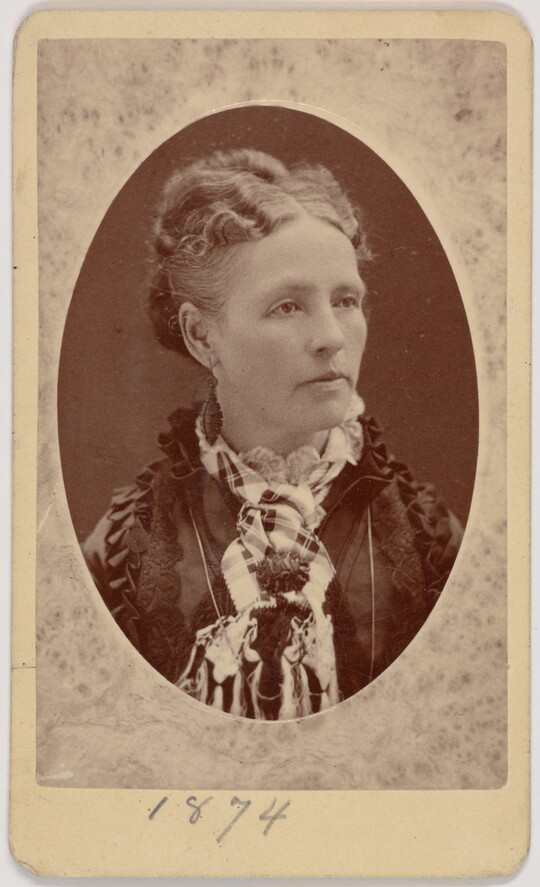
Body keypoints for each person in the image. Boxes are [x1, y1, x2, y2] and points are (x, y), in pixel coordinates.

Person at [83, 147, 462, 720]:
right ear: (201, 337)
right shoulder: (122, 555)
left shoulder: (429, 542)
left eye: (346, 300)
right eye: (287, 307)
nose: (332, 336)